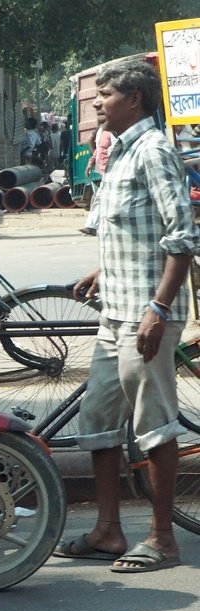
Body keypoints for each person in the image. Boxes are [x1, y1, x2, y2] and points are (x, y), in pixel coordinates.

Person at [58, 59, 200, 573]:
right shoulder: (118, 151)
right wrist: (101, 269)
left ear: (135, 99)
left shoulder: (156, 151)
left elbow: (182, 238)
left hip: (146, 314)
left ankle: (162, 539)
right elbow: (131, 230)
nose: (96, 103)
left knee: (153, 426)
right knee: (97, 421)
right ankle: (108, 530)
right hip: (114, 311)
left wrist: (158, 308)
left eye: (105, 95)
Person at [80, 124, 114, 236]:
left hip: (113, 170)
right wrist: (91, 162)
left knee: (101, 198)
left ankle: (92, 226)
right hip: (105, 171)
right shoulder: (101, 131)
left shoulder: (114, 131)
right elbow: (99, 149)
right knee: (99, 198)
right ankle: (91, 226)